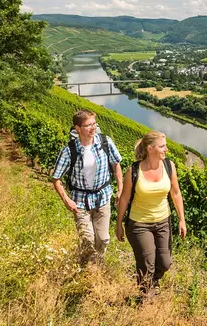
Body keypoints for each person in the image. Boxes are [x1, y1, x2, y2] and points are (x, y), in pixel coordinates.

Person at [116, 131, 186, 294]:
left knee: (165, 262)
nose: (166, 149)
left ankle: (152, 283)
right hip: (139, 223)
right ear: (150, 148)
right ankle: (145, 298)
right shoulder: (134, 171)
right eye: (162, 146)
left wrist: (182, 219)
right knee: (147, 265)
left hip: (163, 221)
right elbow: (125, 198)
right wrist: (119, 224)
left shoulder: (169, 166)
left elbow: (176, 193)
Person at [52, 110, 123, 265]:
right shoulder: (69, 151)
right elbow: (56, 178)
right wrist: (66, 200)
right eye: (88, 125)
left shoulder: (105, 142)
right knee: (87, 240)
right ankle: (86, 270)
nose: (93, 128)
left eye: (94, 124)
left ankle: (97, 268)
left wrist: (120, 188)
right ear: (77, 128)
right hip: (80, 202)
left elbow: (116, 164)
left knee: (103, 239)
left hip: (102, 198)